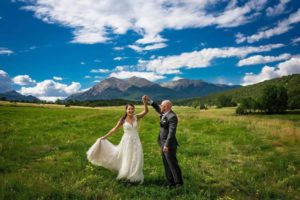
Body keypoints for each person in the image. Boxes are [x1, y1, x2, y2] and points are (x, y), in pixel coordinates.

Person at [86, 99, 148, 183]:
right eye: (129, 109)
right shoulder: (123, 120)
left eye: (132, 109)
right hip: (127, 141)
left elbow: (146, 111)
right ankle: (126, 174)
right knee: (127, 157)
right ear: (126, 110)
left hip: (136, 140)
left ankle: (135, 176)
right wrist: (104, 137)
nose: (131, 110)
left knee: (136, 157)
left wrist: (144, 103)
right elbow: (114, 129)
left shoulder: (136, 117)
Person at [143, 95, 183, 187]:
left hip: (168, 145)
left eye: (162, 105)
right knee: (166, 164)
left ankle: (178, 183)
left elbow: (171, 132)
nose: (160, 106)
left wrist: (166, 145)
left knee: (172, 164)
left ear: (165, 107)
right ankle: (170, 182)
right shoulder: (163, 113)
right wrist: (149, 101)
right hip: (162, 143)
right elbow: (156, 107)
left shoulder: (172, 116)